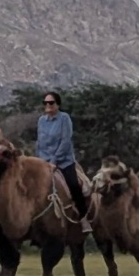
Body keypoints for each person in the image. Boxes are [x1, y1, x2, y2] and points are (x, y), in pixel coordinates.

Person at [36, 92, 92, 234]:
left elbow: (65, 141)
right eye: (45, 103)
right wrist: (42, 160)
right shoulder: (41, 121)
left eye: (51, 103)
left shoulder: (64, 118)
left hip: (64, 161)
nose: (48, 105)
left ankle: (84, 218)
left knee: (74, 185)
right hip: (45, 161)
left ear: (58, 104)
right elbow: (40, 143)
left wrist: (55, 160)